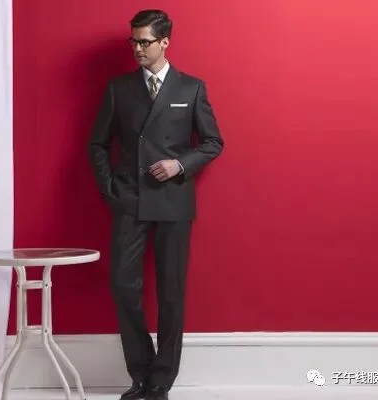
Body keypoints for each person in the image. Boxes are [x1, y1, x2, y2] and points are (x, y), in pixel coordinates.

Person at [88, 9, 224, 400]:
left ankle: (161, 381)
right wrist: (110, 189)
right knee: (123, 286)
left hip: (173, 201)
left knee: (170, 293)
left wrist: (180, 164)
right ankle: (140, 373)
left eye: (145, 42)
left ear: (165, 42)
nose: (137, 49)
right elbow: (97, 144)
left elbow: (213, 142)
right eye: (133, 41)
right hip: (129, 199)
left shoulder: (191, 88)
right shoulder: (119, 89)